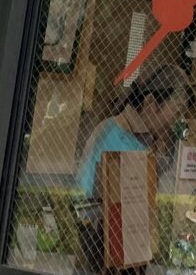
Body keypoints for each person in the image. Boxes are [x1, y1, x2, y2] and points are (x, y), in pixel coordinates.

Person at [76, 63, 189, 196]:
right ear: (150, 102)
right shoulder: (119, 137)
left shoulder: (130, 133)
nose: (178, 120)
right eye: (177, 111)